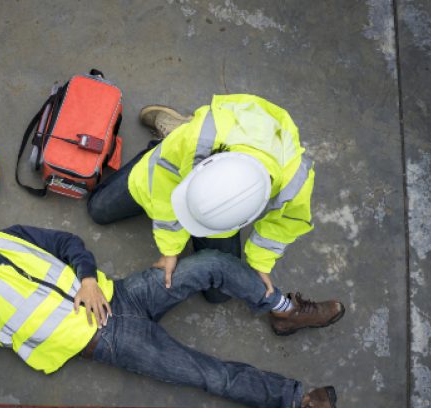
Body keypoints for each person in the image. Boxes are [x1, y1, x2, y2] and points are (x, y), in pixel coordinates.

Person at [0, 199, 343, 408]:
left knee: (211, 263)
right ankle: (300, 400)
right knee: (209, 374)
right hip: (111, 342)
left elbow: (68, 242)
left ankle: (283, 309)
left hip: (122, 295)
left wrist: (85, 278)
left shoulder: (9, 238)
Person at [87, 93, 344, 336]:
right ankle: (171, 135)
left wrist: (260, 263)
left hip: (218, 167)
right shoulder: (198, 139)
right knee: (99, 208)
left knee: (218, 294)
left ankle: (175, 136)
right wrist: (170, 250)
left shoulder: (296, 177)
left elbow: (285, 223)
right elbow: (162, 188)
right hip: (176, 158)